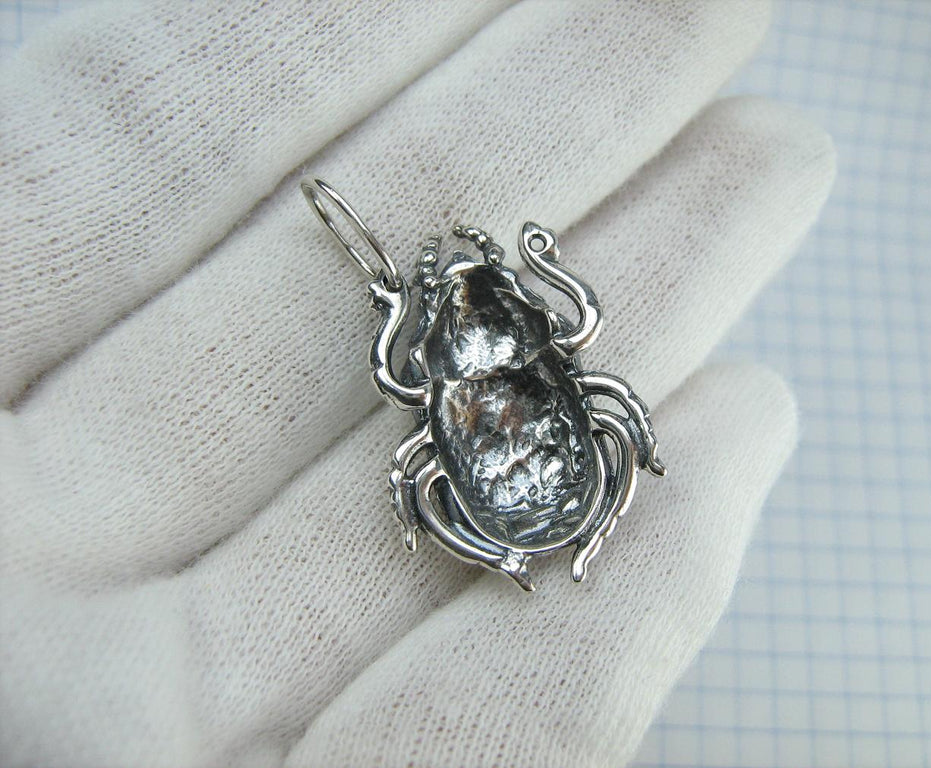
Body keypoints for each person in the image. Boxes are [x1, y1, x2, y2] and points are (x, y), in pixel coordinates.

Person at [0, 1, 834, 765]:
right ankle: (523, 544)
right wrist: (501, 273)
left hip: (519, 468)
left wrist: (470, 287)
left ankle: (548, 535)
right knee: (444, 468)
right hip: (500, 475)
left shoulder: (451, 376)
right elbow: (538, 352)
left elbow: (509, 361)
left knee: (503, 451)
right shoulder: (463, 376)